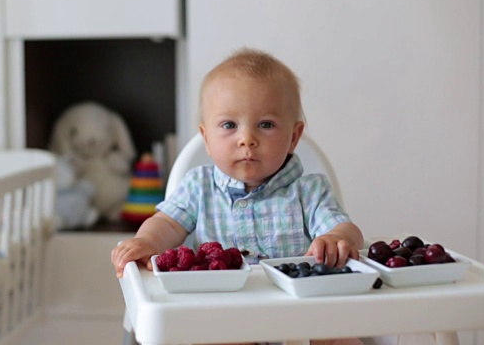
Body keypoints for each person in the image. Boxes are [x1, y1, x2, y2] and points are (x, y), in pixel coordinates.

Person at [111, 48, 364, 345]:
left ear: (294, 137)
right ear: (206, 138)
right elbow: (167, 223)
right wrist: (147, 243)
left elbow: (345, 230)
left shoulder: (309, 191)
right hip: (224, 315)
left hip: (300, 317)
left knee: (338, 337)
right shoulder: (198, 187)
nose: (247, 139)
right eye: (229, 125)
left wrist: (338, 239)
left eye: (266, 125)